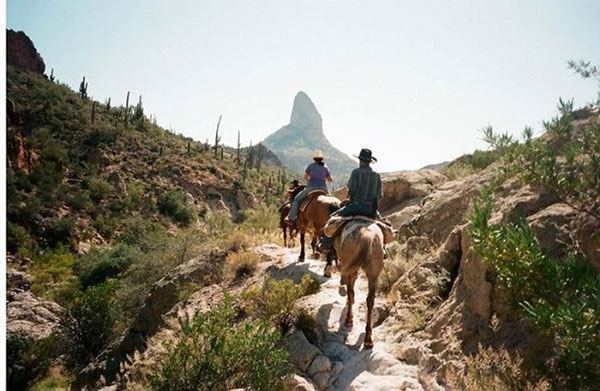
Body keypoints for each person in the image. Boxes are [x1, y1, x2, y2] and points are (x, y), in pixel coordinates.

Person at [318, 148, 382, 251]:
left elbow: (352, 191)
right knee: (384, 225)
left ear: (360, 160)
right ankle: (383, 249)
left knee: (333, 219)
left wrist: (350, 200)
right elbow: (379, 195)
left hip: (355, 207)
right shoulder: (377, 175)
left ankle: (325, 244)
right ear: (369, 161)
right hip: (371, 210)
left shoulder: (356, 173)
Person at [286, 150, 334, 223]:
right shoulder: (325, 167)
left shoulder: (310, 166)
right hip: (323, 189)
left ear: (314, 158)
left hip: (311, 188)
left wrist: (311, 179)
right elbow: (330, 179)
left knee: (297, 199)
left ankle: (291, 217)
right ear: (322, 158)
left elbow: (306, 177)